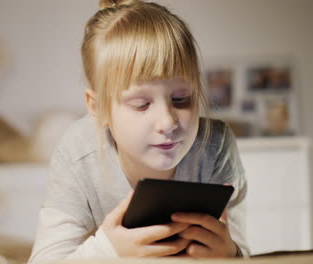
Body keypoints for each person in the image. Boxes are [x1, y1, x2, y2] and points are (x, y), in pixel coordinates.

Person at [28, 0, 249, 262]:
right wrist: (109, 250)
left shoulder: (216, 145)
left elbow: (240, 248)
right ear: (99, 109)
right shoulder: (77, 151)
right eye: (141, 104)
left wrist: (230, 253)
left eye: (181, 99)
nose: (167, 121)